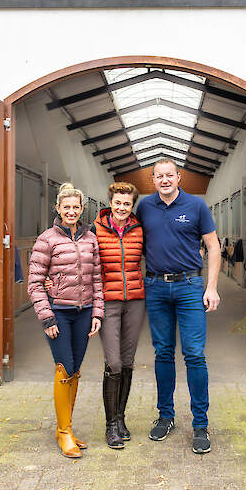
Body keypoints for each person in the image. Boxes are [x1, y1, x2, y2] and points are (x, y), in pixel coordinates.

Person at [135, 158, 221, 454]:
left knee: (195, 354)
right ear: (153, 179)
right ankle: (165, 416)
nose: (165, 180)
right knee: (162, 353)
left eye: (169, 175)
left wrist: (211, 287)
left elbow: (213, 246)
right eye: (159, 176)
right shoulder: (144, 207)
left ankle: (200, 423)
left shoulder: (196, 206)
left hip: (189, 287)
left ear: (179, 177)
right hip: (156, 286)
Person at [27, 182, 104, 458]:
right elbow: (35, 283)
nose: (71, 211)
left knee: (76, 370)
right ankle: (63, 434)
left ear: (82, 209)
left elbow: (96, 278)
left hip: (84, 312)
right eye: (66, 207)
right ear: (58, 208)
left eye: (76, 207)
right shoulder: (47, 239)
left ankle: (67, 427)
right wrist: (47, 318)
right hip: (59, 311)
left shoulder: (90, 238)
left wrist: (98, 312)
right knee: (64, 368)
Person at [91, 182, 145, 449]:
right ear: (110, 203)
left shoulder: (139, 229)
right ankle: (110, 425)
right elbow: (83, 261)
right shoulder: (95, 229)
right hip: (108, 303)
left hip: (135, 301)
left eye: (127, 204)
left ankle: (121, 419)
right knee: (112, 363)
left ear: (132, 206)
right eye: (118, 203)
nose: (122, 208)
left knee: (127, 362)